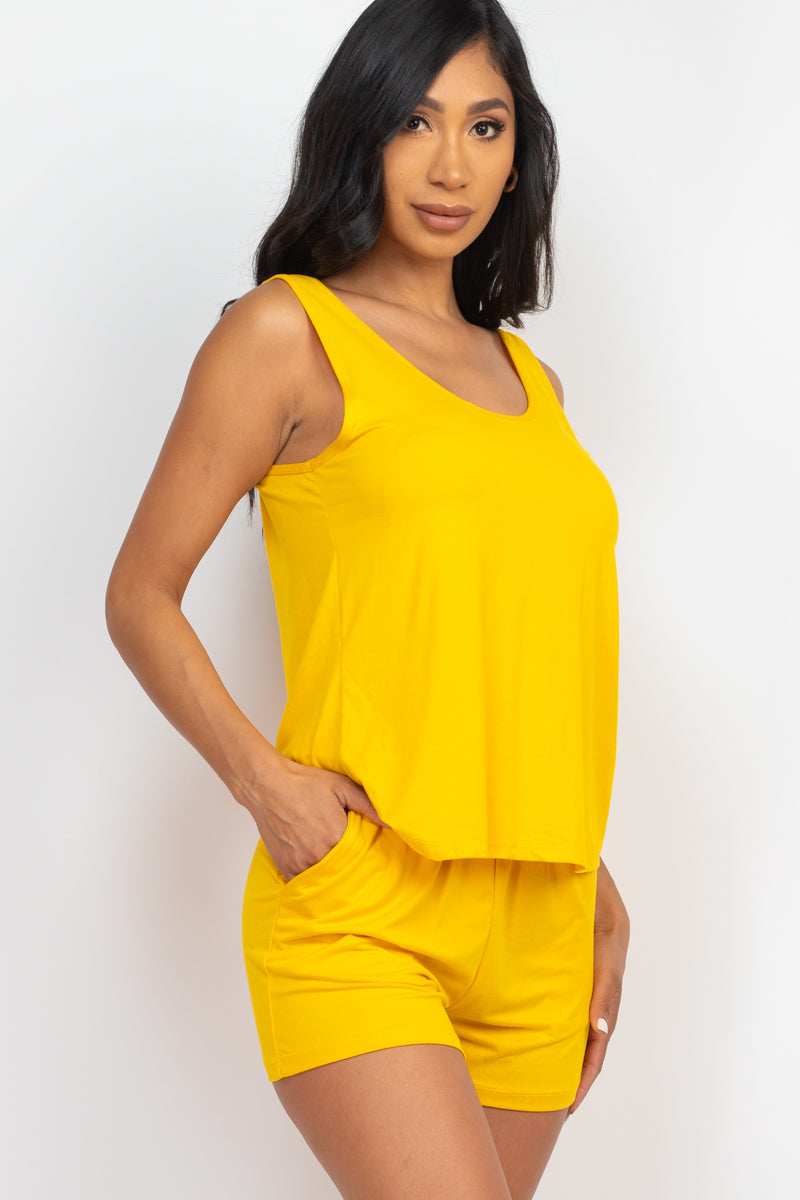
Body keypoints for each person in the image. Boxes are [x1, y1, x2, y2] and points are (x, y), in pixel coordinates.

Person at [105, 0, 630, 1196]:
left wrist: (591, 881)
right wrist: (264, 785)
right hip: (365, 903)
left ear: (518, 152)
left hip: (542, 921)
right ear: (360, 131)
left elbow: (511, 647)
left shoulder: (532, 381)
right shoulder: (287, 334)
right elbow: (140, 593)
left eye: (485, 126)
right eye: (415, 121)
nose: (451, 166)